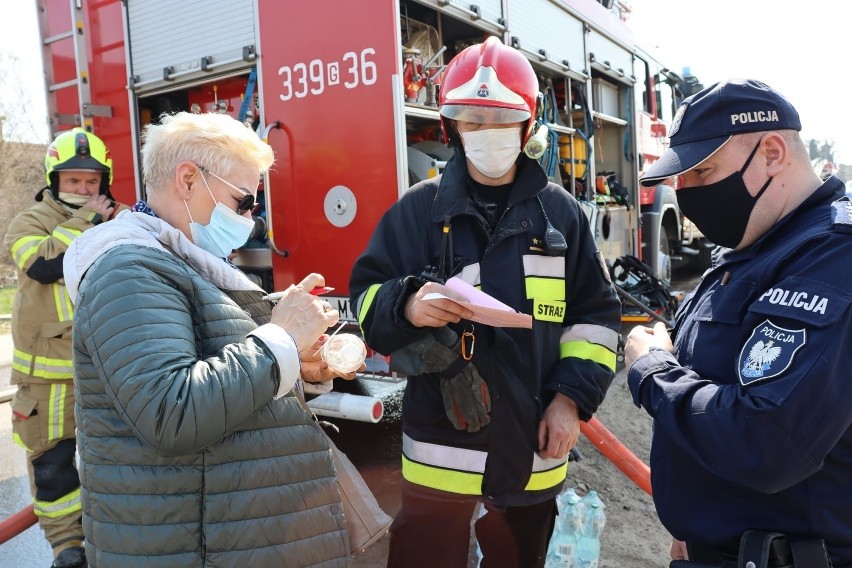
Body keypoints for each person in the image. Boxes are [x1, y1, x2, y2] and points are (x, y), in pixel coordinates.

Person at [349, 36, 621, 568]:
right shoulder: (417, 210)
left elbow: (596, 319)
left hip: (533, 453)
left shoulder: (560, 216)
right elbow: (365, 301)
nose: (486, 135)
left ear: (528, 125)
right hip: (438, 457)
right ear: (450, 127)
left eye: (500, 121)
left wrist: (570, 401)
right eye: (471, 121)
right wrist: (405, 306)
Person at [62, 112, 351, 567]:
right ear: (188, 179)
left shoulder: (183, 259)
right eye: (243, 201)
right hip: (193, 547)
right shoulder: (128, 270)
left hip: (222, 536)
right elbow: (171, 410)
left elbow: (216, 369)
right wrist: (280, 339)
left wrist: (297, 359)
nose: (250, 219)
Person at [624, 79, 852, 568]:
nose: (685, 193)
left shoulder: (834, 256)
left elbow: (764, 440)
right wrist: (697, 526)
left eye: (703, 171)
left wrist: (652, 369)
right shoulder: (752, 249)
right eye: (680, 178)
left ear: (772, 152)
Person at [4, 127, 124, 568]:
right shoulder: (29, 222)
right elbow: (43, 266)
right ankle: (67, 549)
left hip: (106, 367)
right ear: (55, 180)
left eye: (92, 182)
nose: (84, 190)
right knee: (54, 469)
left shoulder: (117, 215)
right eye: (74, 181)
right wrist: (87, 220)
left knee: (118, 458)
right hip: (47, 378)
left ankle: (116, 540)